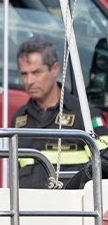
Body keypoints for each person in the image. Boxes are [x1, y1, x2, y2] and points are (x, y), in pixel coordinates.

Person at [12, 38, 96, 189]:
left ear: (55, 69)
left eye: (36, 72)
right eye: (24, 74)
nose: (29, 81)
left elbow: (103, 164)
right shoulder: (19, 118)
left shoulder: (85, 114)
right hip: (26, 202)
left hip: (71, 202)